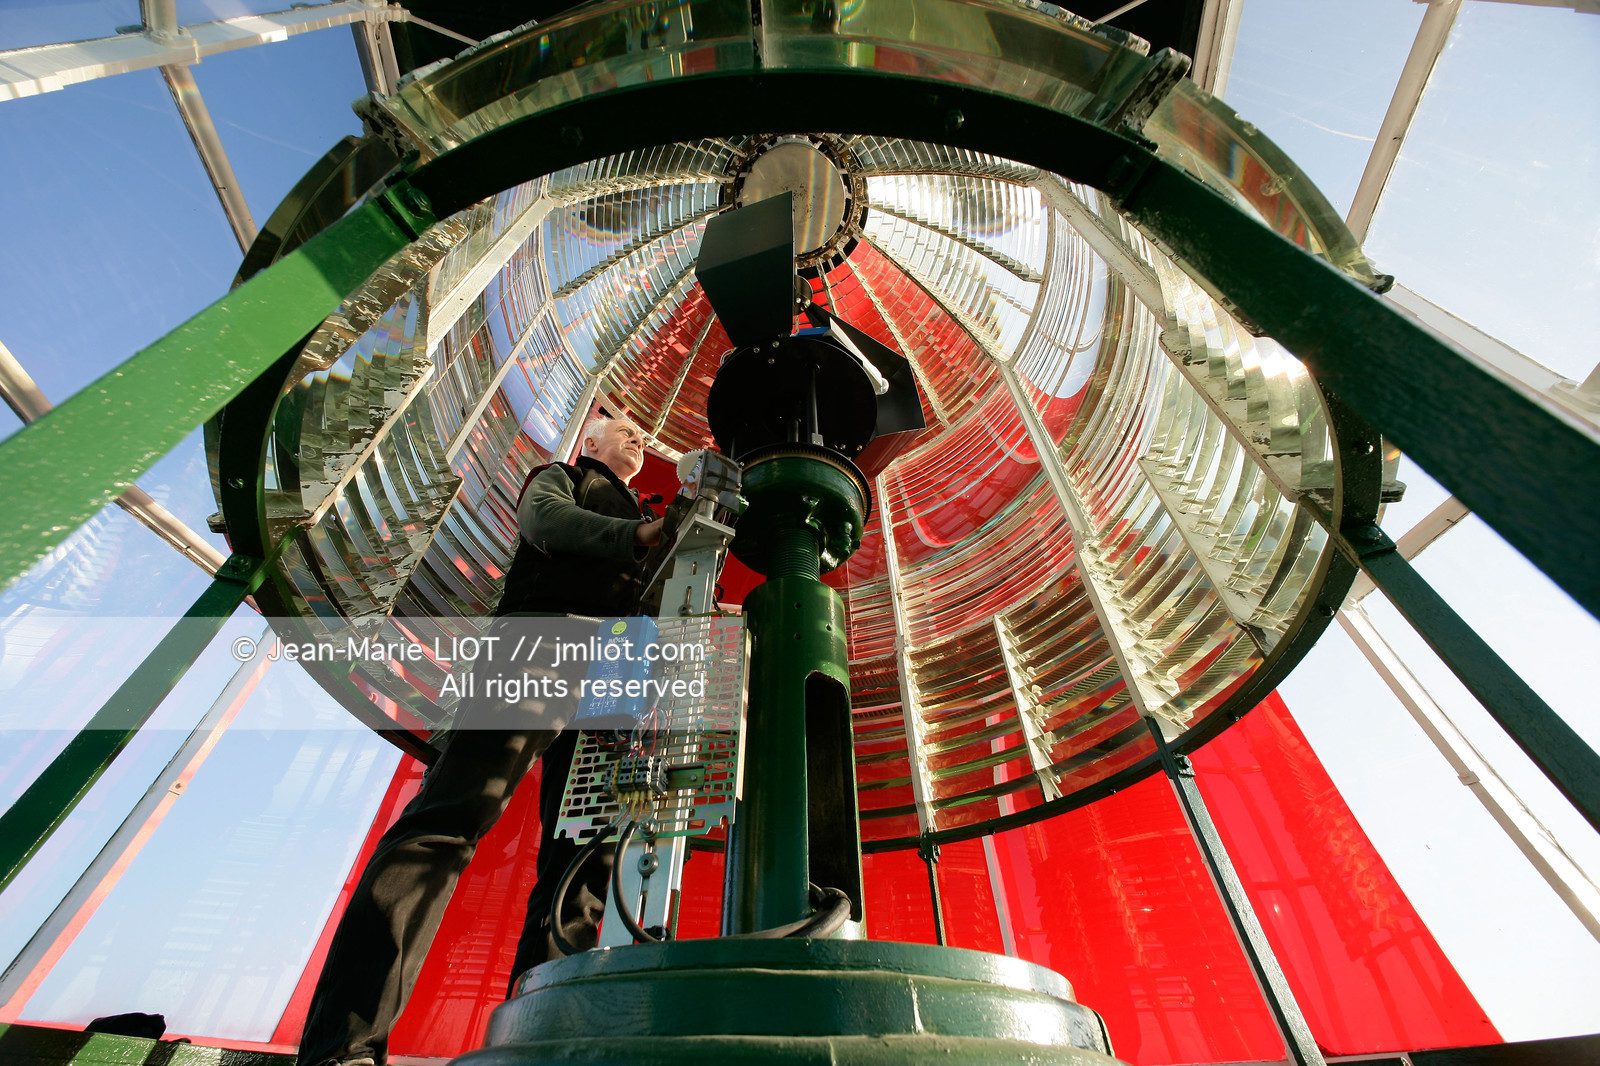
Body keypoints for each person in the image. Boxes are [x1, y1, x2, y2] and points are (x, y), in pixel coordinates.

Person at [294, 416, 664, 1066]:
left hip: (614, 676)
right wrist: (637, 535)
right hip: (539, 645)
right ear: (591, 446)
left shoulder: (649, 517)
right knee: (450, 820)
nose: (637, 440)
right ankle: (343, 1047)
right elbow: (543, 524)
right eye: (622, 431)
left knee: (586, 860)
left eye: (642, 436)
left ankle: (545, 1042)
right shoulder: (565, 480)